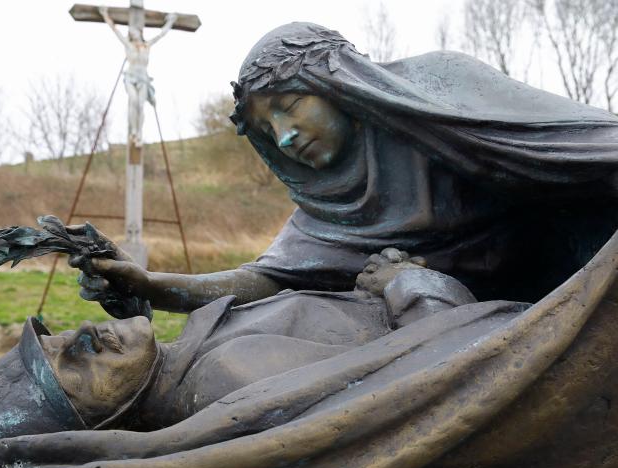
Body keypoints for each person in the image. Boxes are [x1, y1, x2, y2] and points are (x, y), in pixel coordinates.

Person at [71, 22, 618, 317]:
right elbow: (269, 279)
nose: (284, 134)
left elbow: (584, 146)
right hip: (479, 328)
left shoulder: (443, 87)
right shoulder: (330, 206)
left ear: (335, 83)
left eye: (289, 106)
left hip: (588, 284)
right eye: (267, 130)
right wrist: (155, 286)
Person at [0, 249, 480, 466]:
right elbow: (454, 362)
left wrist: (154, 285)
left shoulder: (200, 353)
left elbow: (278, 281)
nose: (86, 336)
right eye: (72, 369)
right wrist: (408, 281)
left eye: (62, 338)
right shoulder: (229, 375)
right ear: (100, 427)